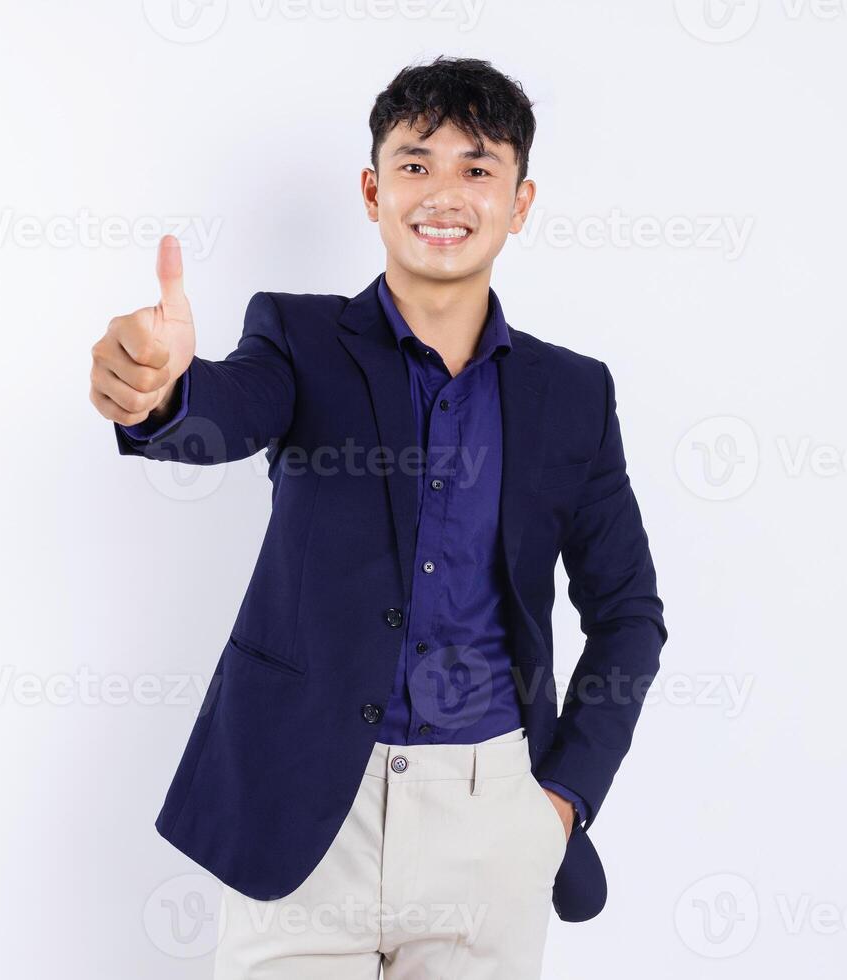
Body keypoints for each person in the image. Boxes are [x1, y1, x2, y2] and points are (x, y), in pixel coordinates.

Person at [88, 56, 667, 979]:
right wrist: (158, 394)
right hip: (303, 811)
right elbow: (219, 413)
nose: (444, 191)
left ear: (518, 202)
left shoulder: (573, 394)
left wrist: (560, 798)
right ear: (372, 190)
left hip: (492, 820)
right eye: (414, 163)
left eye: (477, 168)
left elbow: (629, 615)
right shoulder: (299, 337)